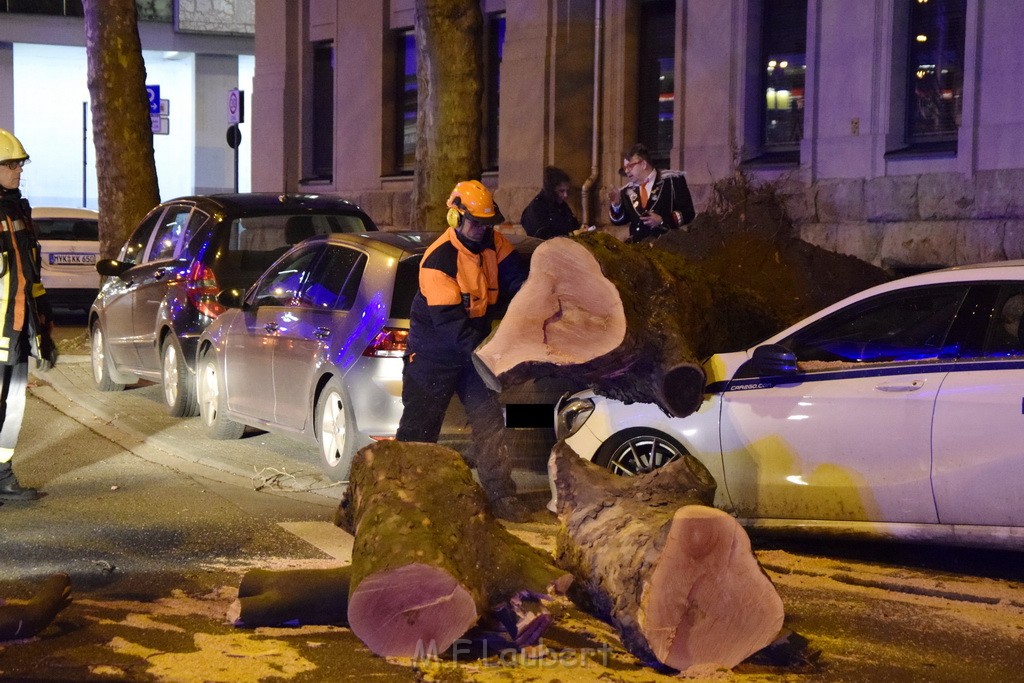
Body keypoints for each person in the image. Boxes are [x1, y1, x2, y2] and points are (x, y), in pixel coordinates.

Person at [395, 180, 531, 522]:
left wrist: (529, 297)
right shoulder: (437, 262)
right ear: (455, 217)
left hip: (473, 350)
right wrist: (489, 352)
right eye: (476, 223)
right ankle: (405, 496)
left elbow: (517, 278)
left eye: (488, 223)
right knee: (420, 428)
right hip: (435, 354)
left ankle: (501, 495)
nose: (482, 230)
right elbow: (453, 327)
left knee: (489, 422)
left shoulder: (492, 241)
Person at [0, 129, 57, 502]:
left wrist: (44, 332)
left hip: (18, 326)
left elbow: (30, 277)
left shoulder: (19, 209)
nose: (18, 170)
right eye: (10, 164)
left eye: (20, 164)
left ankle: (3, 476)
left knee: (14, 404)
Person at [606, 143, 695, 242]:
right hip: (638, 250)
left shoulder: (672, 181)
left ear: (643, 164)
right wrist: (616, 205)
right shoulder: (627, 191)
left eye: (630, 166)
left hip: (667, 247)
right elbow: (619, 221)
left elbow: (688, 213)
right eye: (625, 168)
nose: (627, 171)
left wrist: (662, 220)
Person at [520, 166, 581, 239]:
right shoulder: (537, 208)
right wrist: (571, 234)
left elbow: (573, 225)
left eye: (567, 191)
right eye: (561, 191)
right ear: (552, 190)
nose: (565, 195)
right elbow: (543, 236)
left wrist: (581, 230)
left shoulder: (562, 206)